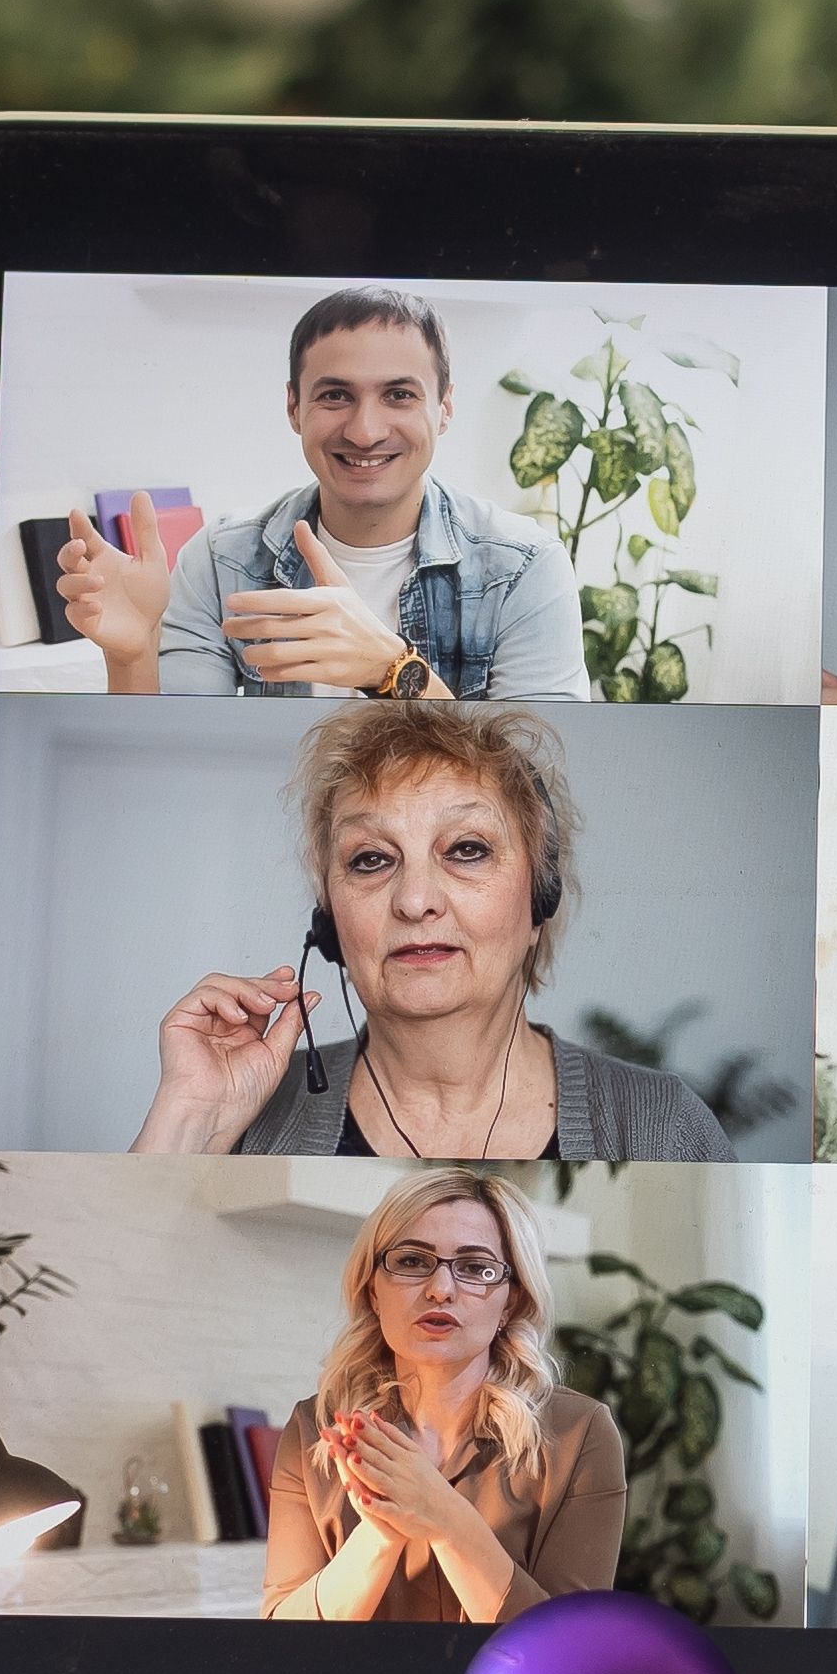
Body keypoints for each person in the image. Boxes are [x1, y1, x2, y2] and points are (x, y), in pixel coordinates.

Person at [134, 695, 733, 1160]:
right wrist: (192, 1120)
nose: (415, 900)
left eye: (467, 849)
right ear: (330, 922)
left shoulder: (663, 1124)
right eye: (371, 859)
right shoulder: (250, 1115)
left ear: (539, 900)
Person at [54, 285, 588, 699]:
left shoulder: (522, 566)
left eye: (399, 395)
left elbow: (532, 782)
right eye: (336, 395)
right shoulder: (223, 558)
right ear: (294, 407)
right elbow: (170, 763)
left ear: (444, 408)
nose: (365, 431)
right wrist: (131, 656)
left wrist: (393, 672)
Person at [260, 1170, 626, 1626]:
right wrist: (381, 1531)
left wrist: (442, 1513)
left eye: (475, 1268)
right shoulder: (314, 1428)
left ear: (510, 1301)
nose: (440, 1289)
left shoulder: (580, 1432)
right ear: (374, 1290)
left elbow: (567, 1652)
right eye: (412, 1261)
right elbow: (280, 1638)